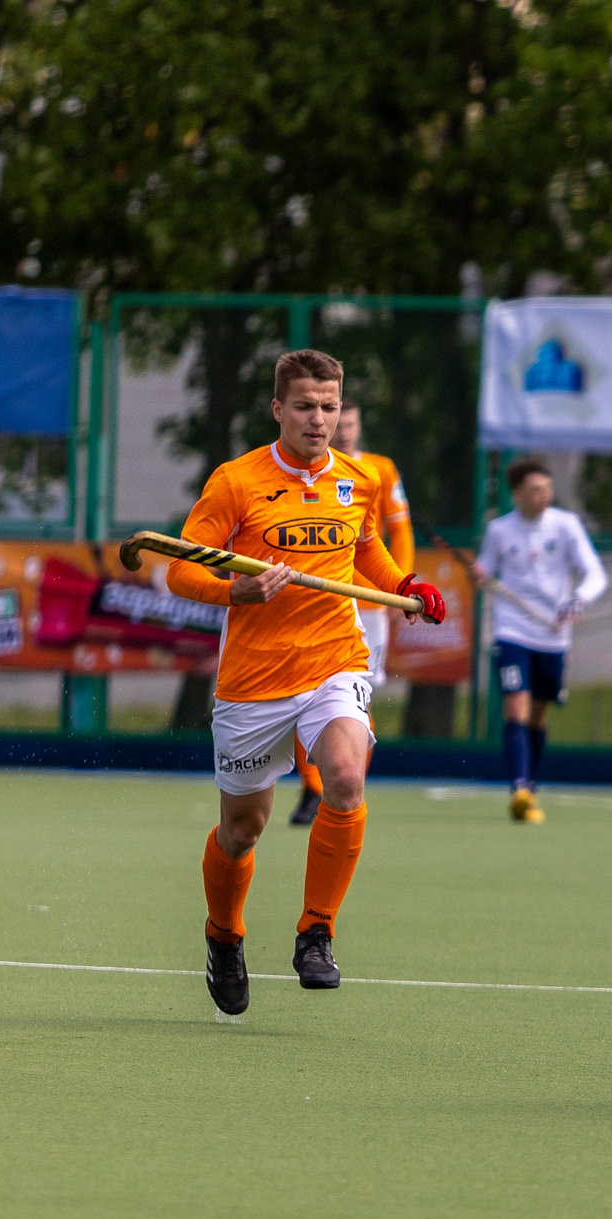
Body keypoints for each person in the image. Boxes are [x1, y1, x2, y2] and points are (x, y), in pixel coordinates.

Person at [166, 349, 446, 1013]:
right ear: (277, 410)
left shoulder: (360, 478)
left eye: (329, 407)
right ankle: (223, 934)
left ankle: (315, 930)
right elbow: (179, 570)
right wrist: (238, 592)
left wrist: (406, 585)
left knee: (345, 779)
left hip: (333, 659)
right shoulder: (236, 482)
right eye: (305, 407)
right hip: (254, 679)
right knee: (243, 830)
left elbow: (366, 550)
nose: (318, 420)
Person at [289, 403, 416, 826]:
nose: (342, 431)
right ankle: (313, 789)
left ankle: (347, 784)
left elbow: (398, 530)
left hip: (369, 606)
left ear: (359, 426)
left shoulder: (379, 470)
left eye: (349, 423)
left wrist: (400, 589)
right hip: (314, 605)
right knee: (299, 694)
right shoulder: (304, 471)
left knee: (353, 700)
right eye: (337, 423)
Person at [475, 457, 606, 823]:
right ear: (516, 494)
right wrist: (480, 573)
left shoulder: (566, 526)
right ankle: (518, 787)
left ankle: (531, 787)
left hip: (552, 634)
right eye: (535, 490)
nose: (544, 496)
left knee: (538, 714)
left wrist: (579, 599)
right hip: (512, 629)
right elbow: (486, 567)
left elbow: (595, 572)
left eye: (547, 489)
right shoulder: (500, 530)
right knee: (515, 706)